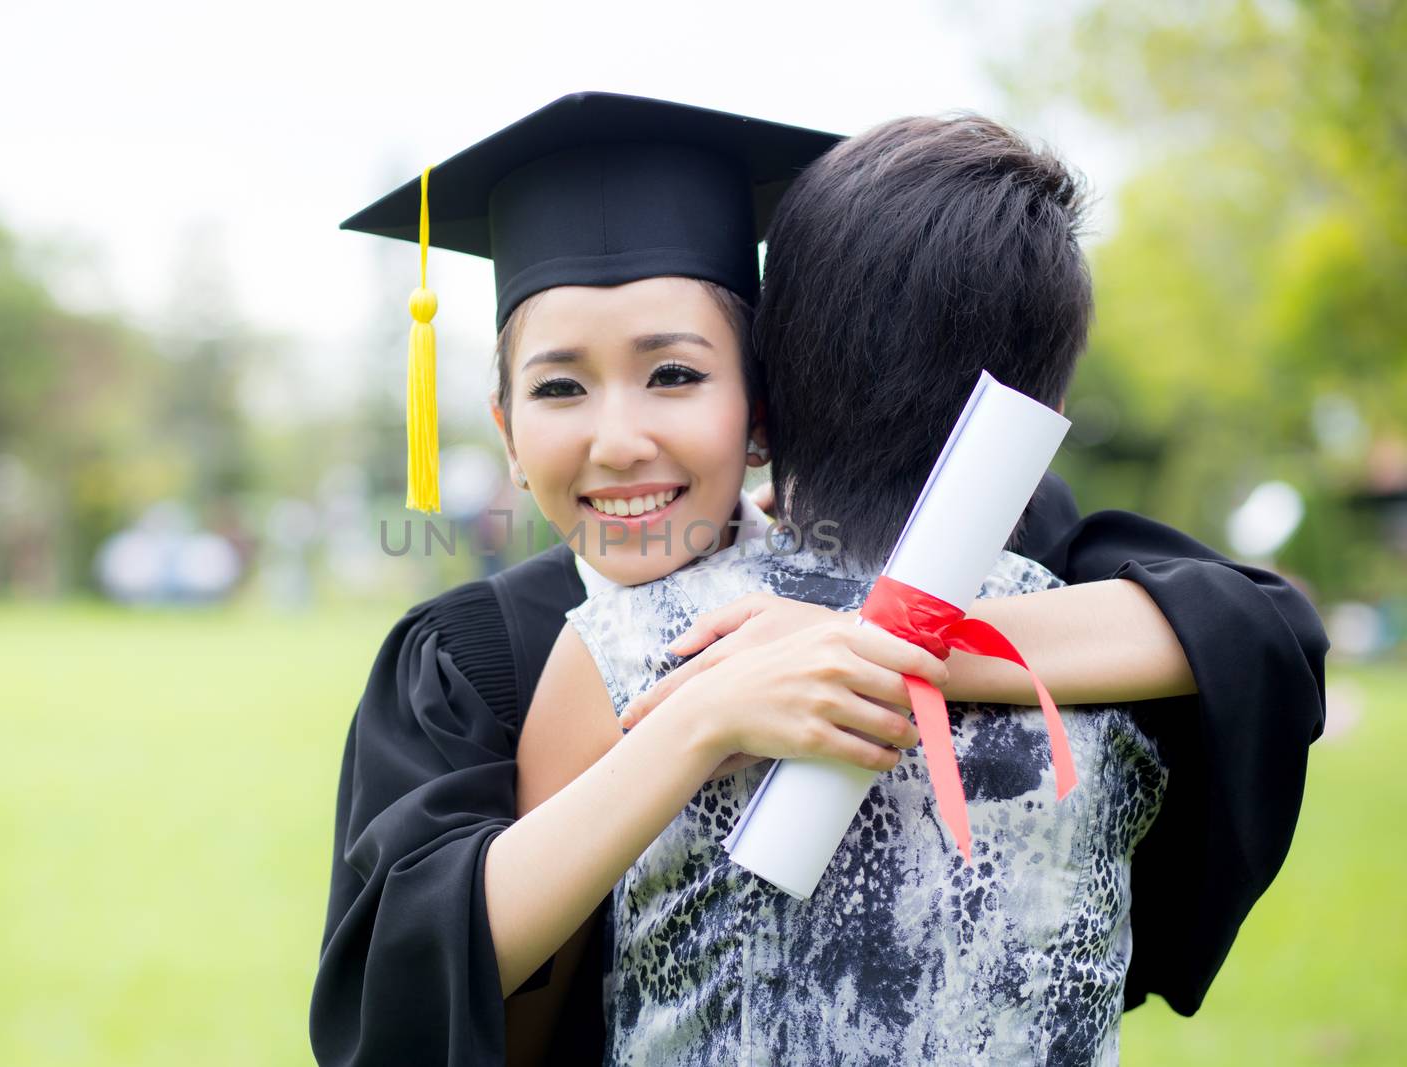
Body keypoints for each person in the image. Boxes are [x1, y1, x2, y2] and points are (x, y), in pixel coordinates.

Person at [310, 94, 1326, 1067]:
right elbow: (405, 997)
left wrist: (899, 635)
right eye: (559, 386)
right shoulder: (476, 651)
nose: (619, 441)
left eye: (674, 373)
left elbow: (1248, 625)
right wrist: (697, 716)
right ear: (505, 428)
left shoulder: (982, 547)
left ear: (761, 403)